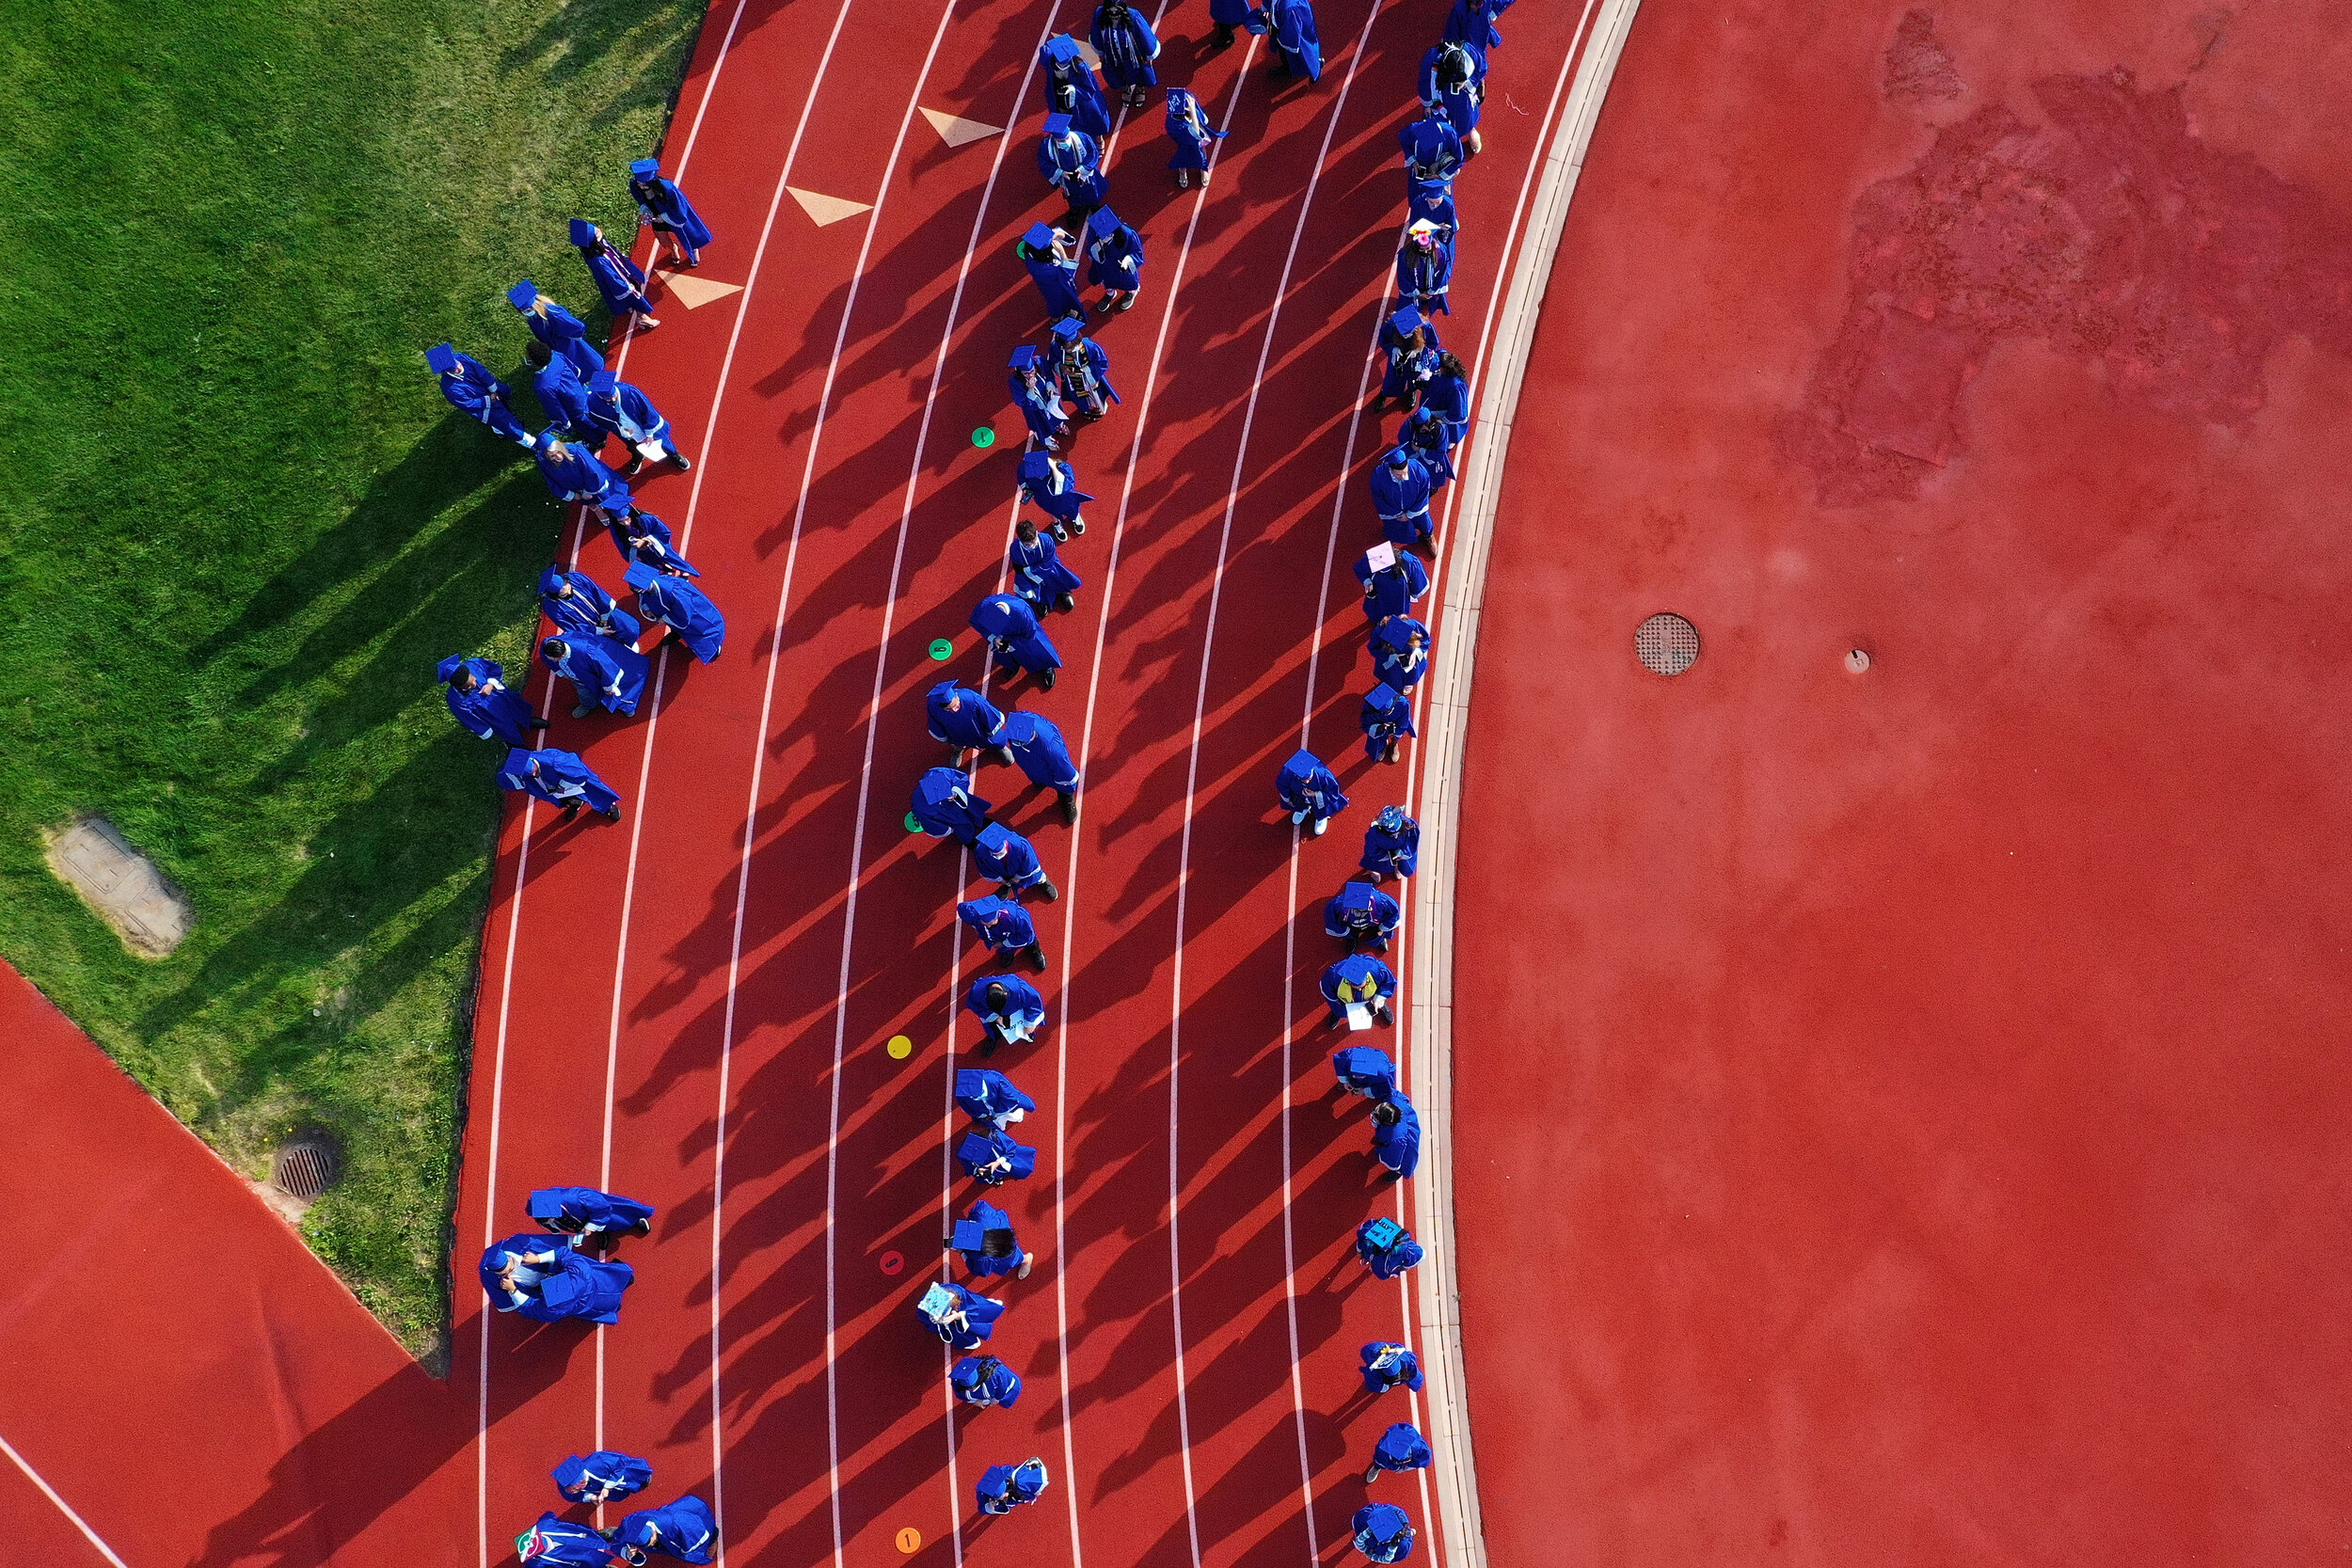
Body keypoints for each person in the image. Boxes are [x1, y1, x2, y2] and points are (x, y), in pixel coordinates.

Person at [480, 1232, 635, 1323]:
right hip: (596, 1281)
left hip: (584, 1302)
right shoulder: (579, 1270)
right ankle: (623, 1278)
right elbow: (564, 1254)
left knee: (600, 1306)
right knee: (608, 1279)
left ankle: (612, 1307)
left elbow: (534, 1310)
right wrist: (538, 1259)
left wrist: (513, 1291)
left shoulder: (559, 1304)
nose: (508, 1271)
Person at [427, 342, 535, 448]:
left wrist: (493, 389)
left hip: (489, 388)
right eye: (454, 369)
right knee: (507, 424)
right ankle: (533, 445)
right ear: (446, 372)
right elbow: (468, 404)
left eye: (457, 363)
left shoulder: (461, 357)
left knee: (504, 401)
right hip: (484, 406)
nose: (459, 367)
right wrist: (489, 399)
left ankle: (498, 430)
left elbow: (481, 371)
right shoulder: (450, 388)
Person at [587, 371, 691, 475]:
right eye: (608, 398)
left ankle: (673, 454)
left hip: (645, 425)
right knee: (632, 445)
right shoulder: (593, 404)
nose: (613, 398)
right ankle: (638, 455)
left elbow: (647, 411)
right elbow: (602, 421)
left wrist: (649, 434)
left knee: (662, 442)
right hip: (627, 432)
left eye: (613, 394)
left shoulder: (630, 392)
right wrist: (622, 430)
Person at [570, 217, 661, 332]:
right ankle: (642, 317)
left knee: (626, 296)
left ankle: (629, 306)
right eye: (595, 232)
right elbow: (613, 278)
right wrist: (628, 288)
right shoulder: (600, 261)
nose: (598, 230)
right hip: (618, 279)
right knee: (634, 293)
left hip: (616, 271)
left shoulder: (590, 250)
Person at [626, 562, 725, 663]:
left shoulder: (673, 592)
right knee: (679, 627)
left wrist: (663, 618)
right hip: (674, 616)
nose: (635, 590)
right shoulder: (646, 588)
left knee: (700, 633)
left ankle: (714, 649)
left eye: (636, 588)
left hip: (693, 617)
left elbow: (684, 616)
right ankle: (677, 633)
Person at [541, 630, 649, 720]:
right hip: (580, 680)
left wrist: (609, 686)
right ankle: (588, 704)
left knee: (615, 694)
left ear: (563, 654)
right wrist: (562, 674)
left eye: (555, 659)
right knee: (584, 694)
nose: (552, 660)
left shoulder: (587, 652)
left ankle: (626, 707)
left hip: (597, 676)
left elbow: (605, 667)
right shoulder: (548, 646)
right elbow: (548, 660)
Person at [442, 655, 546, 746]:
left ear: (470, 672)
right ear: (459, 686)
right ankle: (516, 744)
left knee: (516, 708)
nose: (474, 685)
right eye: (468, 686)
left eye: (473, 680)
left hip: (501, 697)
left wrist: (491, 684)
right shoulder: (455, 699)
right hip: (491, 715)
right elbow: (467, 718)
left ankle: (527, 720)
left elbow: (495, 670)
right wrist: (483, 729)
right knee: (506, 729)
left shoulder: (475, 664)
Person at [509, 280, 605, 378]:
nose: (525, 313)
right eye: (523, 311)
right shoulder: (532, 317)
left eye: (528, 310)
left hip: (566, 344)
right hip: (553, 346)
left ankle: (592, 373)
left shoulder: (553, 314)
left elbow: (578, 327)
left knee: (581, 361)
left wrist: (570, 337)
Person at [499, 746, 624, 821]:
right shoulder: (519, 769)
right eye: (529, 774)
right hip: (551, 787)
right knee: (562, 799)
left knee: (594, 791)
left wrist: (562, 786)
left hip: (571, 781)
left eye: (534, 771)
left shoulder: (555, 760)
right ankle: (576, 803)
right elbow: (505, 780)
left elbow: (578, 773)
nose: (532, 774)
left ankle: (608, 806)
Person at [629, 158, 711, 268]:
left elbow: (680, 207)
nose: (640, 187)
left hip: (675, 217)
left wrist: (664, 217)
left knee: (688, 235)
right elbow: (639, 198)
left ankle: (694, 248)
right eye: (639, 183)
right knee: (662, 240)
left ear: (653, 183)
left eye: (644, 185)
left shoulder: (668, 188)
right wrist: (646, 210)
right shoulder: (635, 184)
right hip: (656, 215)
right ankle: (673, 247)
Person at [1003, 709, 1082, 824]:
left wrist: (1067, 787)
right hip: (1032, 764)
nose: (1012, 742)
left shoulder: (1052, 749)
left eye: (1017, 742)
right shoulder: (1021, 721)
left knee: (1063, 784)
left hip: (1048, 768)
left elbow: (1065, 772)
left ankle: (1066, 797)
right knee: (1034, 774)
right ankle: (1039, 781)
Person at [972, 592, 1064, 690]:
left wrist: (1014, 642)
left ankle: (1045, 665)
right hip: (1000, 637)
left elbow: (1030, 632)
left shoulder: (1022, 611)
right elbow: (978, 625)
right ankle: (1012, 664)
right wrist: (993, 638)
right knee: (1003, 653)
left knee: (1035, 648)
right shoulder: (984, 609)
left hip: (1021, 635)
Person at [534, 430, 633, 518]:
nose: (558, 457)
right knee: (590, 503)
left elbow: (593, 471)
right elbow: (551, 481)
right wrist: (573, 495)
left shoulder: (576, 451)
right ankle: (597, 510)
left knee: (611, 497)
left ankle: (622, 515)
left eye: (558, 452)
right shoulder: (543, 461)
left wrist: (588, 491)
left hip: (593, 483)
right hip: (577, 490)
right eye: (552, 455)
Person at [1420, 39, 1487, 156]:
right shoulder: (1432, 57)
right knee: (1436, 123)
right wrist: (1427, 104)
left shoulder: (1468, 51)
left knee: (1466, 118)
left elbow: (1482, 69)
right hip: (1442, 97)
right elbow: (1425, 82)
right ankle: (1441, 146)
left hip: (1464, 98)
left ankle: (1471, 129)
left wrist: (1467, 82)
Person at [541, 566, 643, 644]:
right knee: (608, 648)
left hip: (604, 613)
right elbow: (570, 626)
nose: (569, 593)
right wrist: (598, 631)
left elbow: (598, 593)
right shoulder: (551, 607)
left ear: (566, 580)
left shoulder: (576, 578)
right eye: (563, 595)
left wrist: (604, 617)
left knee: (628, 628)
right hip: (589, 631)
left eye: (569, 588)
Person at [1039, 35, 1113, 136]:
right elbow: (1044, 51)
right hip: (1059, 99)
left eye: (1064, 64)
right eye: (1059, 62)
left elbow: (1090, 90)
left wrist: (1073, 89)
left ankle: (1098, 139)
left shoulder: (1081, 68)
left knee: (1090, 123)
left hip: (1080, 102)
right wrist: (1056, 47)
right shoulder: (1051, 62)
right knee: (1065, 124)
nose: (1062, 65)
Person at [528, 1186, 655, 1245]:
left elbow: (603, 1207)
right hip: (580, 1218)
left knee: (619, 1219)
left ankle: (635, 1219)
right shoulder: (539, 1207)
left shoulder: (576, 1197)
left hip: (598, 1211)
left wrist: (590, 1227)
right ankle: (602, 1231)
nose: (550, 1222)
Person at [1036, 115, 1108, 217]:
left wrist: (1082, 169)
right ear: (1055, 138)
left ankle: (1094, 206)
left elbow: (1093, 153)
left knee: (1091, 192)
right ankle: (1075, 210)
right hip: (1067, 178)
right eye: (1061, 141)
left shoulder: (1082, 138)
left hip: (1085, 175)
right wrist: (1062, 173)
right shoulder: (1046, 147)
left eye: (1066, 138)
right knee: (1072, 196)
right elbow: (1044, 163)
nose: (1065, 142)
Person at [1091, 2, 1161, 107]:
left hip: (1134, 52)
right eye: (1111, 11)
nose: (1114, 15)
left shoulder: (1133, 15)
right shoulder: (1100, 14)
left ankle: (1140, 88)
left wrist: (1149, 54)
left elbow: (1145, 34)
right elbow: (1096, 34)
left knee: (1139, 70)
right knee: (1118, 71)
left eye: (1117, 11)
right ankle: (1126, 87)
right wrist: (1100, 53)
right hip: (1112, 52)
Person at [1010, 516, 1083, 618]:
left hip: (1048, 569)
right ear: (1020, 540)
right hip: (1031, 575)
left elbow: (1048, 563)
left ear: (1036, 533)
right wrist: (1026, 574)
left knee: (1056, 578)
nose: (1031, 545)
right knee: (1033, 589)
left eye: (1033, 541)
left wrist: (1029, 570)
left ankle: (1062, 593)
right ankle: (1043, 602)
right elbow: (1019, 570)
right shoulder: (1015, 549)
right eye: (1027, 544)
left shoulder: (1046, 540)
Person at [1373, 307, 1442, 413]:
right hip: (1398, 357)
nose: (1406, 336)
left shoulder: (1425, 326)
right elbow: (1384, 339)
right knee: (1392, 378)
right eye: (1403, 334)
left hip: (1416, 359)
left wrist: (1419, 350)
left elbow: (1433, 343)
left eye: (1409, 333)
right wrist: (1392, 349)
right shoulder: (1392, 325)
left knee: (1414, 378)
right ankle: (1385, 393)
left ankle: (1411, 392)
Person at [1369, 445, 1436, 554]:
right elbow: (1379, 499)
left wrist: (1409, 514)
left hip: (1415, 506)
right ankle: (1395, 540)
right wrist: (1397, 514)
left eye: (1405, 472)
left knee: (1424, 522)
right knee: (1394, 528)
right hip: (1394, 511)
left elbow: (1424, 494)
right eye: (1398, 474)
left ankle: (1428, 537)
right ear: (1390, 469)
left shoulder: (1419, 471)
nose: (1403, 477)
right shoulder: (1379, 476)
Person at [929, 680, 1012, 766]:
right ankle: (958, 749)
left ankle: (1000, 746)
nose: (954, 710)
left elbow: (987, 712)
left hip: (978, 729)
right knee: (957, 742)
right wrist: (944, 738)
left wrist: (990, 729)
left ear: (957, 696)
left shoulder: (971, 699)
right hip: (956, 732)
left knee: (994, 739)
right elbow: (935, 724)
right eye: (949, 709)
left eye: (956, 706)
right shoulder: (933, 707)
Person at [1016, 221, 1087, 324]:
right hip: (1055, 287)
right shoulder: (1045, 269)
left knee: (1059, 302)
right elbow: (1067, 273)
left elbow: (1070, 240)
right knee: (1057, 304)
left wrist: (1058, 233)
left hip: (1049, 282)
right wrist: (1062, 252)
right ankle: (1055, 320)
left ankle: (1060, 315)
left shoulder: (1032, 252)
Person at [1050, 318, 1119, 421]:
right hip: (1073, 381)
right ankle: (1084, 409)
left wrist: (1086, 370)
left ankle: (1097, 409)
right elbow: (1052, 360)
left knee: (1096, 396)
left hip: (1091, 378)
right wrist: (1061, 367)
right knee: (1078, 397)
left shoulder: (1089, 346)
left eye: (1072, 346)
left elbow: (1102, 362)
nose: (1070, 350)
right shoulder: (1056, 347)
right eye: (1066, 347)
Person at [959, 893, 1048, 972]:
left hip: (1018, 935)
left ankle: (1035, 951)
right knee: (1005, 947)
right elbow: (961, 908)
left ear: (997, 915)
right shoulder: (976, 914)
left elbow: (1026, 937)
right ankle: (1009, 952)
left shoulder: (1018, 917)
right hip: (998, 936)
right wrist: (975, 926)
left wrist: (1003, 943)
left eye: (989, 923)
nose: (987, 925)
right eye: (984, 922)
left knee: (1030, 942)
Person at [1018, 450, 1094, 542]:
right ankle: (1056, 524)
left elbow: (1068, 483)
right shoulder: (1026, 467)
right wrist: (1025, 488)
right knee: (1052, 512)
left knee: (1072, 508)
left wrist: (1055, 469)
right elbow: (1021, 477)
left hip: (1064, 497)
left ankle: (1075, 517)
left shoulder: (1063, 469)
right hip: (1045, 498)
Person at [614, 1497, 716, 1565]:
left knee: (709, 1543)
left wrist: (691, 1554)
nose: (650, 1545)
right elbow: (616, 1542)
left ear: (653, 1531)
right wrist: (627, 1553)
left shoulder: (676, 1521)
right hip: (671, 1535)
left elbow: (701, 1536)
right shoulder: (629, 1524)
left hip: (698, 1521)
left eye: (650, 1542)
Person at [950, 1197, 1033, 1279]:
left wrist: (962, 1252)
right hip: (1002, 1231)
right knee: (1010, 1246)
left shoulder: (985, 1261)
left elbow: (977, 1270)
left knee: (1015, 1257)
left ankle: (1026, 1259)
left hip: (1004, 1256)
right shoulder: (983, 1215)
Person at [966, 973, 1047, 1055]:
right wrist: (994, 1016)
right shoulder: (976, 992)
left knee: (1027, 1027)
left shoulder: (1019, 989)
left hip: (1016, 1010)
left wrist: (1030, 1024)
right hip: (993, 1014)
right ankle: (994, 1038)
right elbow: (976, 1006)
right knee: (993, 1030)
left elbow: (1033, 1003)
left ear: (1006, 994)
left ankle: (1027, 1034)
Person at [974, 822, 1058, 901]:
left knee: (1035, 876)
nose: (998, 857)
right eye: (995, 855)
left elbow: (1029, 863)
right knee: (1006, 880)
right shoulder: (981, 852)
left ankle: (1043, 881)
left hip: (1021, 868)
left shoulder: (1020, 845)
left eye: (1000, 853)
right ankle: (1007, 886)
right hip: (1002, 871)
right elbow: (984, 869)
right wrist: (1000, 879)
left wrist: (1018, 877)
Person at [1008, 345, 1071, 451]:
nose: (1030, 375)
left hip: (1048, 398)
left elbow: (1050, 375)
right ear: (1020, 372)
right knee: (1041, 426)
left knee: (1056, 414)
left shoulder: (1040, 361)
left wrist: (1050, 387)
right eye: (1026, 373)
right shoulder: (1015, 381)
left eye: (1032, 371)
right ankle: (1047, 439)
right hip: (1034, 409)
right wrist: (1031, 390)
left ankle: (1059, 425)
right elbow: (1020, 401)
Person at [913, 766, 995, 847]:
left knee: (974, 813)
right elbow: (929, 825)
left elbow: (961, 778)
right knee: (964, 831)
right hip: (951, 817)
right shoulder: (920, 807)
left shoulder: (938, 774)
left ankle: (981, 821)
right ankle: (969, 841)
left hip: (961, 801)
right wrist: (947, 830)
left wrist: (955, 791)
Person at [1164, 86, 1227, 189]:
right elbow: (1196, 133)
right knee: (1184, 153)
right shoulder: (1178, 124)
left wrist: (1193, 111)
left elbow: (1198, 132)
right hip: (1185, 136)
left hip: (1189, 134)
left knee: (1201, 148)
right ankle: (1183, 170)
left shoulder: (1174, 118)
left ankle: (1202, 168)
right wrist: (1192, 110)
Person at [1085, 205, 1145, 313]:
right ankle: (1110, 293)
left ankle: (1131, 292)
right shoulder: (1094, 231)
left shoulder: (1127, 233)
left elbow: (1137, 251)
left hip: (1121, 266)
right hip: (1104, 266)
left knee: (1128, 282)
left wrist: (1127, 261)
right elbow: (1090, 249)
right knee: (1106, 281)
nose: (1104, 236)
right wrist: (1098, 246)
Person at [607, 508, 701, 578]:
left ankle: (684, 571)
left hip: (657, 546)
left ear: (631, 515)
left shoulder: (645, 519)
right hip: (643, 552)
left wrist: (646, 540)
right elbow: (620, 545)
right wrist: (633, 549)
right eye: (621, 521)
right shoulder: (617, 529)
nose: (626, 523)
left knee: (671, 559)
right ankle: (665, 569)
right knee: (653, 563)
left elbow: (664, 532)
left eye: (627, 519)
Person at [528, 341, 595, 438]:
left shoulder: (542, 386)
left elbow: (554, 407)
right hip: (579, 390)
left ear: (534, 362)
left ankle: (596, 439)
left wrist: (563, 422)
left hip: (574, 407)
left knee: (586, 424)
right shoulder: (556, 356)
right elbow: (575, 370)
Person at [915, 1278, 1005, 1350]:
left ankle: (988, 1306)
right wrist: (940, 1322)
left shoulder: (957, 1291)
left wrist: (958, 1315)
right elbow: (930, 1322)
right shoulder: (926, 1310)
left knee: (976, 1307)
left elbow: (970, 1306)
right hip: (950, 1322)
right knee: (956, 1330)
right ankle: (969, 1341)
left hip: (965, 1306)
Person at [1277, 749, 1348, 835]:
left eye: (1309, 778)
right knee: (1296, 800)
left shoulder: (1323, 775)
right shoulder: (1287, 773)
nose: (1307, 782)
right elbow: (1282, 785)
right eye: (1303, 779)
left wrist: (1315, 794)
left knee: (1322, 804)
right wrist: (1288, 799)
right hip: (1299, 795)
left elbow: (1332, 792)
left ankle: (1322, 817)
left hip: (1319, 798)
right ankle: (1303, 808)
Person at [1356, 542, 1431, 620]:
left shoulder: (1408, 562)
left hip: (1384, 600)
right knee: (1395, 618)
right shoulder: (1375, 559)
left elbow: (1360, 569)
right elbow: (1418, 587)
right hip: (1397, 601)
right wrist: (1367, 582)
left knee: (1379, 615)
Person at [1395, 219, 1455, 318]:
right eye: (1422, 249)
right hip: (1413, 288)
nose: (1426, 251)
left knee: (1428, 312)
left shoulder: (1441, 251)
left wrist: (1432, 290)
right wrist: (1417, 293)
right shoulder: (1405, 255)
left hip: (1431, 289)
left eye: (1428, 248)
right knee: (1407, 320)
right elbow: (1402, 276)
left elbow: (1443, 273)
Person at [1322, 953, 1398, 1028]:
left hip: (1372, 996)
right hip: (1344, 1000)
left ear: (1367, 977)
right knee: (1339, 1010)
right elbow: (1327, 990)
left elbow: (1389, 982)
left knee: (1380, 999)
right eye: (1355, 986)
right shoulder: (1333, 975)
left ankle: (1381, 1005)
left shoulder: (1377, 969)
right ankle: (1338, 1014)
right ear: (1348, 981)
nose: (1359, 989)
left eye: (1362, 986)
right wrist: (1338, 1004)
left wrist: (1378, 999)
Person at [516, 1513, 623, 1566]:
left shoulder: (544, 1526)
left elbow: (549, 1515)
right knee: (593, 1561)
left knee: (596, 1538)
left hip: (585, 1538)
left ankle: (601, 1535)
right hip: (579, 1560)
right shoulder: (535, 1562)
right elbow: (548, 1515)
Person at [1326, 880, 1403, 950]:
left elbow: (1395, 913)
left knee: (1381, 931)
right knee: (1348, 933)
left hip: (1374, 924)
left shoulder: (1381, 901)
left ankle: (1380, 939)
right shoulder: (1339, 904)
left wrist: (1384, 926)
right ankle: (1351, 938)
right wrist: (1343, 931)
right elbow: (1329, 917)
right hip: (1351, 925)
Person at [553, 1451, 653, 1505]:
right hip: (604, 1490)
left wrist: (607, 1487)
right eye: (572, 1491)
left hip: (625, 1473)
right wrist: (592, 1497)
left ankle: (642, 1479)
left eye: (575, 1488)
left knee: (638, 1479)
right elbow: (572, 1497)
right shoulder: (565, 1487)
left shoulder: (600, 1461)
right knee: (620, 1495)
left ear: (580, 1479)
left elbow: (620, 1466)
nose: (575, 1491)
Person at [1397, 110, 1463, 189]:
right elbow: (1405, 143)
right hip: (1420, 162)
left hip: (1440, 163)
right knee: (1417, 182)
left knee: (1452, 174)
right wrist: (1413, 160)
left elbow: (1459, 159)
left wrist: (1439, 176)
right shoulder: (1413, 129)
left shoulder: (1450, 133)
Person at [955, 1066, 1037, 1129]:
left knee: (1028, 1108)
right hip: (986, 1113)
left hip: (1005, 1107)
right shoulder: (963, 1094)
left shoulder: (994, 1079)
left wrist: (996, 1113)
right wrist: (984, 1116)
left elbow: (1009, 1097)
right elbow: (967, 1108)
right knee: (987, 1126)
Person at [1419, 352, 1470, 451]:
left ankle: (1447, 441)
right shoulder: (1441, 356)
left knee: (1446, 432)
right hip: (1431, 401)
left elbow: (1458, 412)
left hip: (1443, 411)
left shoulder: (1456, 386)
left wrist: (1441, 420)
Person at [957, 1126, 1039, 1185]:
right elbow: (969, 1167)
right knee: (989, 1177)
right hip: (990, 1169)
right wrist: (979, 1170)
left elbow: (1011, 1148)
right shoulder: (965, 1152)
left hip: (1008, 1159)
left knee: (1021, 1170)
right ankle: (997, 1178)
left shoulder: (996, 1136)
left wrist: (998, 1162)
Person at [1371, 615, 1432, 692]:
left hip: (1411, 656)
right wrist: (1391, 657)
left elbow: (1426, 639)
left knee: (1411, 673)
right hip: (1391, 659)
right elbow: (1373, 649)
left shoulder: (1412, 625)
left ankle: (1408, 682)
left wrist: (1417, 652)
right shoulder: (1379, 632)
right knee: (1392, 678)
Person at [1405, 402, 1457, 488]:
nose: (1428, 428)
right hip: (1414, 454)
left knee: (1432, 478)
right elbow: (1404, 441)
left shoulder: (1440, 430)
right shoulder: (1409, 427)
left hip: (1431, 458)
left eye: (1429, 424)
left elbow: (1439, 454)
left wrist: (1419, 449)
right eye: (1423, 426)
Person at [1360, 684, 1417, 765]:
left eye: (1386, 711)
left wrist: (1393, 730)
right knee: (1375, 738)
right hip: (1378, 724)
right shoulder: (1371, 704)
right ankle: (1383, 744)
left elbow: (1403, 723)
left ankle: (1394, 742)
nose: (1384, 713)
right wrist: (1379, 727)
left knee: (1401, 729)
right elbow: (1365, 720)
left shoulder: (1403, 704)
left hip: (1394, 724)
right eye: (1381, 711)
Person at [1361, 804, 1421, 880]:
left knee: (1405, 868)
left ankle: (1397, 868)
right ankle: (1373, 870)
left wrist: (1403, 854)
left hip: (1400, 851)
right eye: (1393, 834)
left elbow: (1412, 840)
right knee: (1374, 863)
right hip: (1383, 853)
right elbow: (1371, 850)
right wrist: (1386, 856)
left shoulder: (1408, 825)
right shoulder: (1374, 834)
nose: (1396, 836)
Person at [1354, 1215, 1424, 1279]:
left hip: (1373, 1251)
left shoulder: (1370, 1226)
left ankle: (1364, 1254)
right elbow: (1382, 1275)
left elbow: (1363, 1231)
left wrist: (1359, 1250)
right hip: (1379, 1256)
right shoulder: (1404, 1243)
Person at [1372, 1092, 1422, 1179]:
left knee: (1404, 1160)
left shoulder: (1396, 1139)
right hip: (1406, 1121)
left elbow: (1393, 1158)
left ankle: (1398, 1173)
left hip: (1406, 1143)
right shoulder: (1393, 1101)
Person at [1267, 0, 1322, 81]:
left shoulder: (1289, 7)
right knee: (1284, 50)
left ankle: (1316, 68)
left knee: (1304, 52)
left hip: (1292, 25)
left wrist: (1280, 35)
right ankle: (1288, 67)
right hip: (1284, 19)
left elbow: (1292, 30)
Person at [1362, 1421, 1433, 1484]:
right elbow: (1384, 1461)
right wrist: (1396, 1468)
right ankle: (1377, 1467)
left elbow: (1423, 1461)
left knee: (1413, 1464)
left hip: (1410, 1451)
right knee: (1380, 1461)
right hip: (1386, 1453)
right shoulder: (1382, 1450)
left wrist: (1404, 1468)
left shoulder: (1423, 1452)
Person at [975, 1458, 1049, 1515]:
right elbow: (981, 1509)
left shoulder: (1014, 1477)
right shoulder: (983, 1495)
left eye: (1004, 1494)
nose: (1006, 1494)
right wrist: (990, 1508)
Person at [1351, 1502, 1417, 1563]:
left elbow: (1394, 1558)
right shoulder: (1364, 1516)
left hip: (1377, 1546)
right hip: (1373, 1542)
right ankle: (1410, 1532)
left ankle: (1409, 1532)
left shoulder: (1402, 1547)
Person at [952, 1354, 1025, 1409]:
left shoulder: (996, 1375)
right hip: (988, 1389)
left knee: (1005, 1403)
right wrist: (974, 1402)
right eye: (968, 1388)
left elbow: (1003, 1387)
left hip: (1009, 1387)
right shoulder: (957, 1380)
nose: (972, 1390)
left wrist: (996, 1399)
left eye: (973, 1386)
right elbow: (959, 1394)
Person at [1331, 1044, 1398, 1102]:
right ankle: (1352, 1082)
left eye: (1358, 1076)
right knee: (1350, 1076)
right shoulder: (1349, 1057)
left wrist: (1365, 1091)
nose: (1355, 1076)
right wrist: (1345, 1081)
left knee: (1382, 1091)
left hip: (1376, 1077)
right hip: (1368, 1070)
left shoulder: (1384, 1075)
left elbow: (1386, 1087)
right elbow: (1339, 1061)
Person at [1444, 0, 1513, 52]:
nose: (1474, 6)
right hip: (1466, 51)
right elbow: (1451, 35)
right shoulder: (1459, 8)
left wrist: (1494, 12)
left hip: (1475, 49)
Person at [1359, 1340, 1424, 1394]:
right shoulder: (1374, 1371)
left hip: (1381, 1351)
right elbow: (1373, 1386)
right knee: (1382, 1388)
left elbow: (1417, 1380)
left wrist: (1414, 1384)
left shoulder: (1405, 1358)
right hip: (1370, 1353)